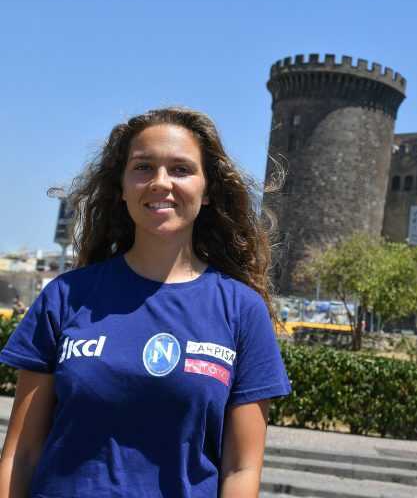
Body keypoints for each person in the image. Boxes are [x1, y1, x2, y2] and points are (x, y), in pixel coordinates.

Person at [0, 107, 291, 497]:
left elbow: (241, 469)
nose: (160, 182)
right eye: (143, 167)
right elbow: (21, 453)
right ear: (121, 187)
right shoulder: (65, 297)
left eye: (181, 169)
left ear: (207, 192)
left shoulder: (241, 311)